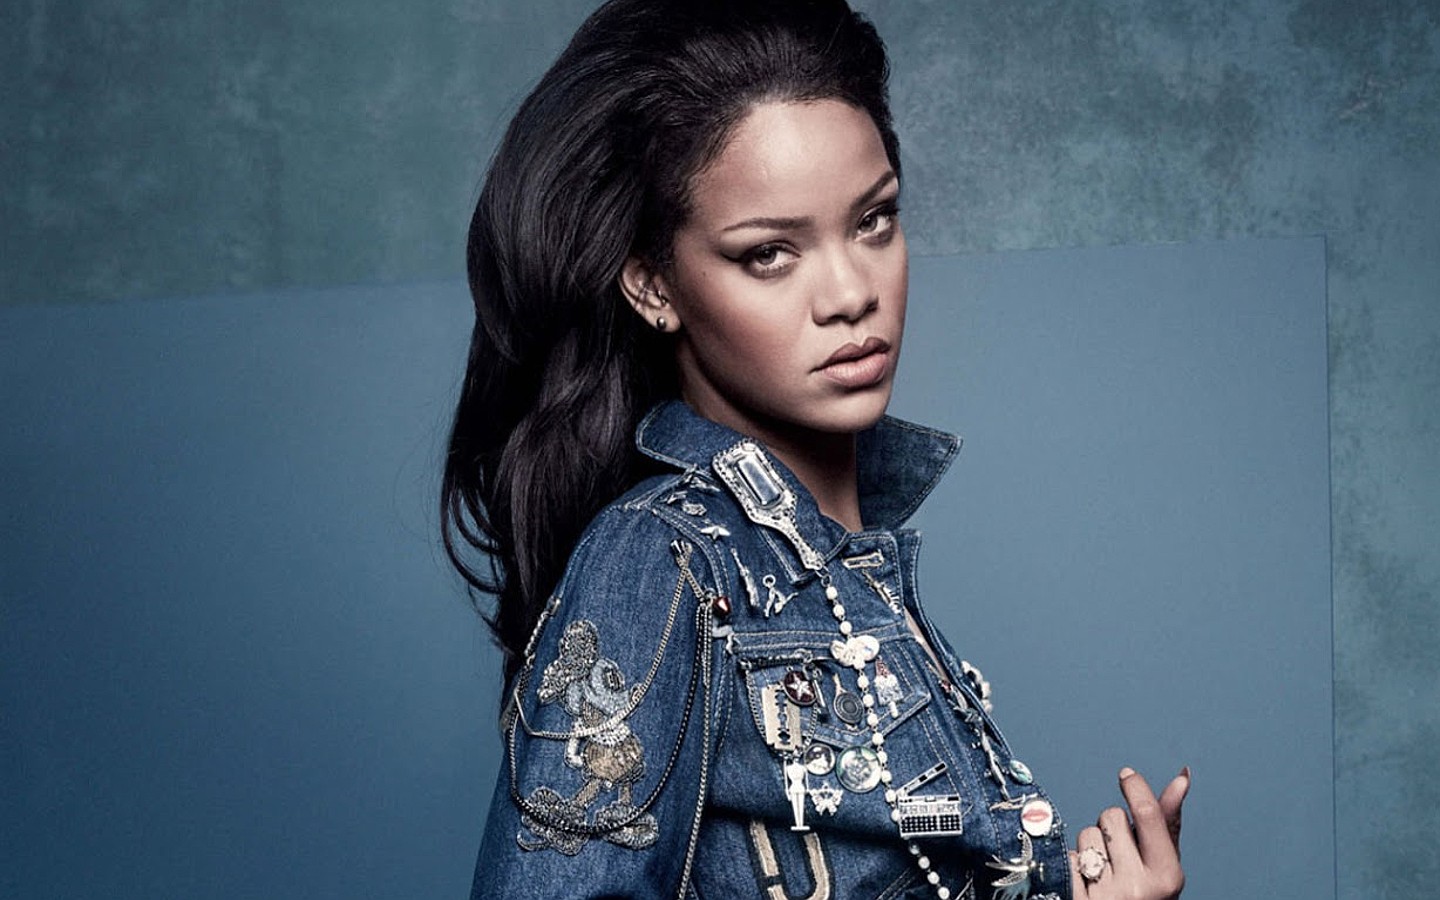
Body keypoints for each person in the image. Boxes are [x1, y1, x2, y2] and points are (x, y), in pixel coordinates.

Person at [441, 1, 1190, 897]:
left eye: (873, 220)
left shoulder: (842, 565)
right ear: (652, 284)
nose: (849, 294)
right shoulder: (663, 560)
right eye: (770, 253)